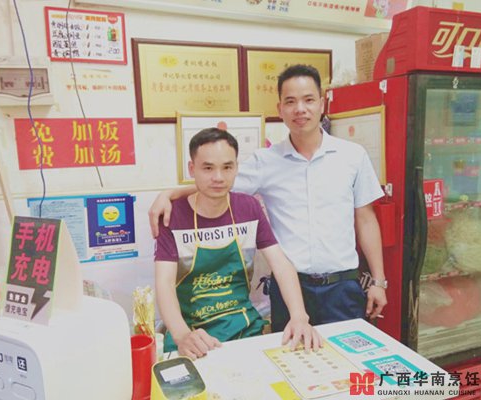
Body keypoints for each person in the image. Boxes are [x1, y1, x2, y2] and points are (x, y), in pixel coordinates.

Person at [151, 64, 387, 334]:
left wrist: (378, 281)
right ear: (280, 109)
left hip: (342, 286)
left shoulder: (353, 156)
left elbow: (366, 220)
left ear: (322, 104)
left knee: (346, 356)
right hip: (289, 287)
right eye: (291, 101)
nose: (300, 109)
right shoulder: (265, 161)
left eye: (309, 100)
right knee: (291, 357)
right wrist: (169, 194)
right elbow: (218, 183)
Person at [155, 127, 321, 360]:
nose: (218, 177)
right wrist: (182, 335)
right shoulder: (172, 215)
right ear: (192, 169)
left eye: (227, 167)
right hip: (193, 333)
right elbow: (164, 282)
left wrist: (299, 316)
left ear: (236, 168)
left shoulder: (248, 207)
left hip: (244, 328)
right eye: (208, 168)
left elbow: (281, 264)